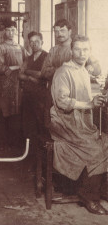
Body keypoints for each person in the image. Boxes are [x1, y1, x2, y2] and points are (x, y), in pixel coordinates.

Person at [49, 35, 108, 215]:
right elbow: (62, 101)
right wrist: (89, 104)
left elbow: (83, 98)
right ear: (71, 51)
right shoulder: (63, 71)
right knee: (95, 149)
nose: (82, 53)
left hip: (80, 122)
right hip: (64, 123)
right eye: (78, 49)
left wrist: (95, 100)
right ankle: (89, 196)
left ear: (90, 52)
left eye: (86, 50)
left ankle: (100, 189)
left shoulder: (83, 70)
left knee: (105, 141)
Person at [41, 19, 101, 128]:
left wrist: (90, 67)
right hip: (56, 92)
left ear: (70, 31)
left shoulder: (79, 47)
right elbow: (44, 72)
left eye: (62, 31)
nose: (59, 34)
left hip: (78, 95)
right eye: (56, 31)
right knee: (55, 125)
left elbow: (98, 70)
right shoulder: (53, 50)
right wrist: (64, 70)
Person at [0, 21, 27, 150]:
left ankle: (14, 142)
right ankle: (2, 143)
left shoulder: (20, 47)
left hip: (18, 84)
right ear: (4, 32)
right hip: (4, 84)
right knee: (3, 112)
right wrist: (14, 67)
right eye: (8, 30)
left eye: (13, 30)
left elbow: (26, 63)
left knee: (15, 112)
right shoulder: (0, 47)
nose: (10, 33)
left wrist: (22, 69)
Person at [19, 32, 48, 153]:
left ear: (42, 42)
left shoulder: (47, 56)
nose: (34, 44)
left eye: (37, 41)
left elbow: (42, 74)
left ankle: (42, 156)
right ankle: (31, 155)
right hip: (27, 96)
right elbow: (20, 74)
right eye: (31, 42)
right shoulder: (28, 58)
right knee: (28, 125)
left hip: (41, 97)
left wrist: (28, 72)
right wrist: (31, 77)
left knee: (41, 125)